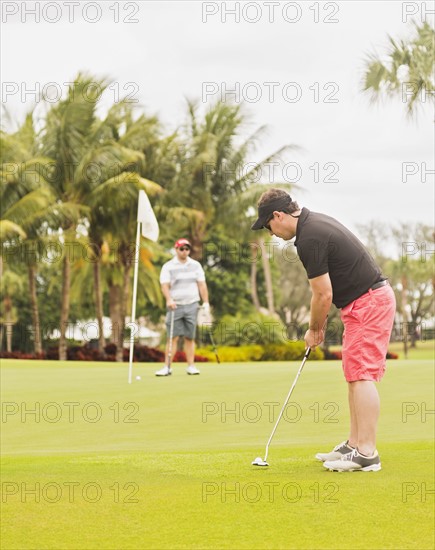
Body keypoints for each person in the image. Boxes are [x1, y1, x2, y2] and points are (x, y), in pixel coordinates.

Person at [251, 189, 396, 472]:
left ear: (278, 216)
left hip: (369, 301)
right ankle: (355, 445)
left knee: (362, 374)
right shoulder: (312, 224)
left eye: (268, 226)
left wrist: (314, 330)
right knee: (355, 373)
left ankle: (367, 452)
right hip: (361, 303)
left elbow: (322, 295)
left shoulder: (310, 238)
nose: (270, 233)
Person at [155, 238, 210, 376]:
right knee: (172, 337)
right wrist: (168, 299)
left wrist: (206, 302)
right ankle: (167, 367)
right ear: (176, 249)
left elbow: (202, 284)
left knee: (189, 337)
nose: (185, 251)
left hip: (192, 304)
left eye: (187, 249)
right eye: (182, 249)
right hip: (175, 305)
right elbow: (164, 285)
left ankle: (191, 366)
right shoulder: (168, 266)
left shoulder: (196, 265)